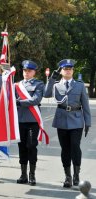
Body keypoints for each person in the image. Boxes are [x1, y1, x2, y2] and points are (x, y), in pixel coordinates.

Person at [44, 59, 91, 188]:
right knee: (65, 149)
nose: (68, 71)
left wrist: (88, 122)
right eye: (65, 69)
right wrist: (53, 78)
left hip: (76, 120)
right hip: (62, 120)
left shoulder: (79, 85)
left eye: (70, 68)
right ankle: (68, 177)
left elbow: (85, 105)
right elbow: (46, 93)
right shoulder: (56, 84)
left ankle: (76, 174)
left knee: (75, 146)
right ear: (62, 71)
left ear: (73, 71)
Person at [15, 60, 44, 186]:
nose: (26, 73)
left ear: (34, 72)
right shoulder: (17, 85)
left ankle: (32, 175)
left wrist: (20, 102)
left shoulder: (39, 84)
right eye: (25, 70)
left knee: (31, 146)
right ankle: (23, 174)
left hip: (33, 120)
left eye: (29, 71)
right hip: (20, 120)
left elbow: (36, 100)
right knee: (21, 147)